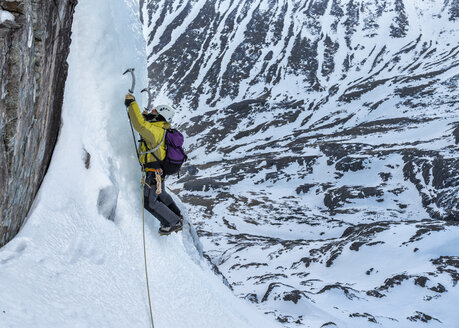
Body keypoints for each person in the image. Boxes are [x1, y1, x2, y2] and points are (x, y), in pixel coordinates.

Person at [124, 94, 183, 235]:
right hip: (157, 171)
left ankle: (172, 222)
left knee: (149, 202)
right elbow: (146, 126)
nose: (152, 113)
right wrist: (146, 116)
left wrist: (132, 104)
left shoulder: (156, 132)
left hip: (152, 172)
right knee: (161, 194)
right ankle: (176, 215)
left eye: (154, 112)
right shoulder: (160, 130)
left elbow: (140, 125)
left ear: (160, 116)